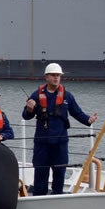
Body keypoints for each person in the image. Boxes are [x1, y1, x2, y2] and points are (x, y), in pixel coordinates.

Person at [21, 62, 93, 195]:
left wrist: (88, 120)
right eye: (53, 75)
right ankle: (38, 197)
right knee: (41, 171)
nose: (56, 78)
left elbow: (77, 112)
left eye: (58, 75)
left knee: (60, 171)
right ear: (46, 77)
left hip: (60, 142)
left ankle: (57, 196)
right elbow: (26, 116)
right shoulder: (36, 95)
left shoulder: (67, 96)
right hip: (42, 142)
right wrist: (30, 109)